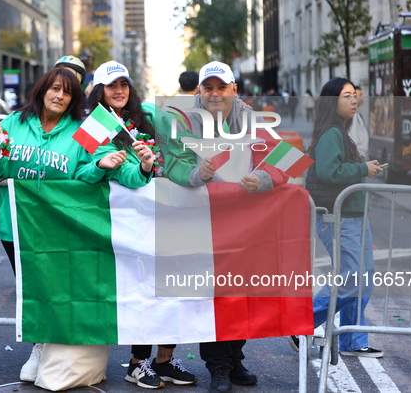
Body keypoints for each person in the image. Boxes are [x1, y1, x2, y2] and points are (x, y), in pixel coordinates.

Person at [0, 66, 126, 382]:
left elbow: (84, 175)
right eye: (55, 88)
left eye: (68, 91)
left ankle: (43, 348)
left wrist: (99, 165)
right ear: (42, 90)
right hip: (14, 221)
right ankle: (39, 345)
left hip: (56, 224)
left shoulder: (82, 130)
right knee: (28, 285)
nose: (60, 95)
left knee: (50, 285)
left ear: (73, 98)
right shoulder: (11, 123)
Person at [170, 61, 290, 393]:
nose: (215, 94)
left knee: (243, 293)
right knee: (213, 297)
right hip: (202, 224)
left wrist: (263, 177)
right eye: (208, 88)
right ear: (199, 91)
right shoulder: (184, 122)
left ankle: (235, 358)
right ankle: (218, 367)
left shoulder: (254, 121)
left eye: (221, 87)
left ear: (234, 90)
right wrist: (197, 175)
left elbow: (284, 161)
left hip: (247, 226)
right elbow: (174, 164)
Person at [87, 60, 198, 389]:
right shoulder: (94, 125)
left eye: (124, 84)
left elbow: (179, 146)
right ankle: (137, 363)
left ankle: (165, 359)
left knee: (174, 285)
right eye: (111, 85)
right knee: (145, 289)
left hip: (165, 211)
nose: (119, 90)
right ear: (99, 90)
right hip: (127, 220)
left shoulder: (147, 115)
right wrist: (141, 167)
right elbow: (108, 172)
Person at [296, 77, 384, 358]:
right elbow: (328, 172)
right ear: (333, 101)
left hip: (354, 215)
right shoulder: (331, 132)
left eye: (355, 95)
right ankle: (302, 325)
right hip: (338, 216)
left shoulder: (340, 132)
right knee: (351, 278)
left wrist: (362, 168)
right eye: (347, 96)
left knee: (364, 277)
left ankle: (352, 340)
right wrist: (362, 170)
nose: (354, 100)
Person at [348, 86, 369, 159]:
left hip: (360, 154)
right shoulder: (353, 114)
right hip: (357, 154)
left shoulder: (357, 112)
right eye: (360, 95)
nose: (362, 97)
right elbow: (352, 134)